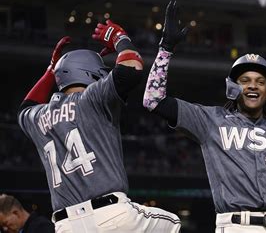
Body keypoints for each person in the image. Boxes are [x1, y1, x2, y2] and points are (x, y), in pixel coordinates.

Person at [142, 1, 266, 233]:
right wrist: (166, 49)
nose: (253, 86)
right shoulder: (211, 120)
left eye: (260, 82)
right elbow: (153, 100)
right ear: (233, 87)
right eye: (245, 81)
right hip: (235, 227)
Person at [17, 20, 181, 233]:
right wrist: (120, 38)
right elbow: (131, 68)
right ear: (89, 72)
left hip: (65, 225)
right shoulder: (92, 97)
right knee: (173, 224)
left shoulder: (39, 116)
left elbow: (25, 107)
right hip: (111, 214)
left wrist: (50, 71)